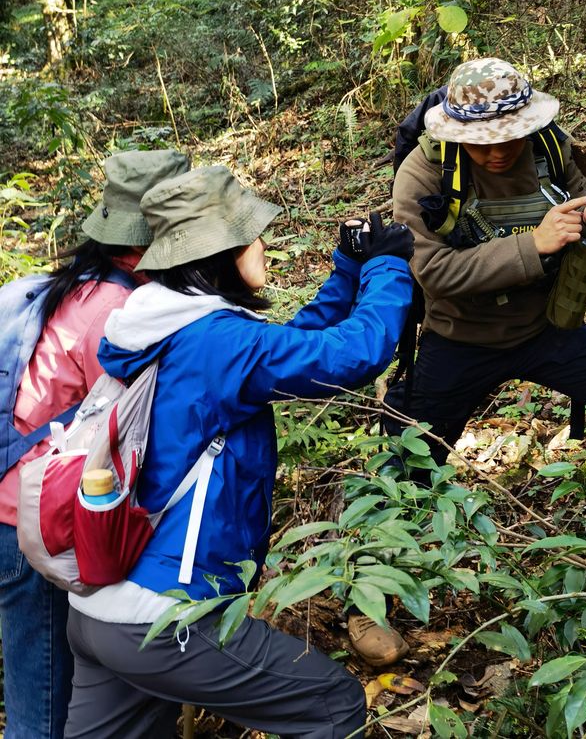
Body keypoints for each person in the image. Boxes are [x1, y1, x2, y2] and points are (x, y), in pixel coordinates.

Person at [63, 163, 415, 739]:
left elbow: (290, 346)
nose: (265, 243)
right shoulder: (218, 341)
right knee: (334, 705)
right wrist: (386, 265)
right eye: (254, 234)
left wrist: (349, 269)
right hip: (167, 613)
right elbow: (353, 355)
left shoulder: (166, 324)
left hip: (101, 611)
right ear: (221, 250)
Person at [0, 149, 189, 739]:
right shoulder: (122, 311)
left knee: (42, 684)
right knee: (46, 707)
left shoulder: (71, 287)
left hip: (16, 510)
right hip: (39, 528)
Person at [387, 57, 586, 473]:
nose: (499, 151)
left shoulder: (553, 149)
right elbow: (431, 271)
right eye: (483, 141)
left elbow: (584, 226)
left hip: (547, 329)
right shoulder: (424, 171)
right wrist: (533, 245)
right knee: (406, 457)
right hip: (459, 337)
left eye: (512, 137)